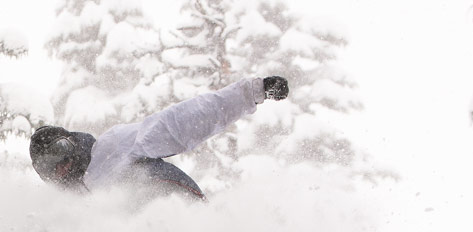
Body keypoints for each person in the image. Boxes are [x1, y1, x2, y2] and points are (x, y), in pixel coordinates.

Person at [29, 76, 290, 201]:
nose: (59, 165)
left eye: (60, 150)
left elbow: (182, 121)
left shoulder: (111, 148)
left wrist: (252, 92)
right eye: (47, 166)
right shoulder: (69, 202)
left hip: (169, 198)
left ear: (72, 142)